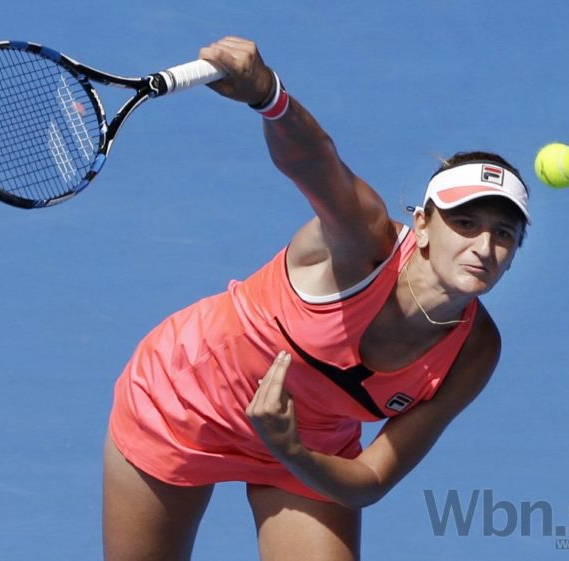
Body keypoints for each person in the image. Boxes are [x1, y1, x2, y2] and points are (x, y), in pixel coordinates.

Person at [102, 36, 531, 561]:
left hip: (306, 446)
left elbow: (371, 478)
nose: (483, 247)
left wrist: (290, 449)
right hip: (184, 400)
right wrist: (268, 95)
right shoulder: (363, 241)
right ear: (422, 224)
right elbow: (316, 162)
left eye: (503, 234)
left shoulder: (475, 350)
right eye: (465, 223)